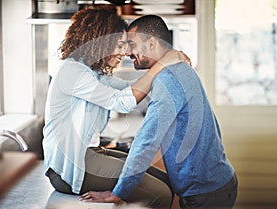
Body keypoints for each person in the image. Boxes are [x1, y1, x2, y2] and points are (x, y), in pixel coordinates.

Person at [79, 15, 238, 209]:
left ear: (152, 43)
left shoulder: (168, 79)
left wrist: (117, 192)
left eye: (132, 44)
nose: (128, 52)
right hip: (216, 182)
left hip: (206, 193)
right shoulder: (179, 69)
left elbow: (146, 143)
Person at [43, 8, 190, 209]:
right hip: (69, 169)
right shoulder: (72, 71)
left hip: (90, 153)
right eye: (120, 45)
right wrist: (163, 63)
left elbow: (128, 89)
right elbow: (123, 102)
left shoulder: (93, 72)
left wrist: (168, 69)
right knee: (161, 194)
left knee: (165, 179)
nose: (125, 53)